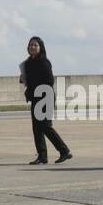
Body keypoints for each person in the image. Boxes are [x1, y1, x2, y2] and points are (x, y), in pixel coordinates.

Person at [22, 36, 72, 164]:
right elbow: (29, 80)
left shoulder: (44, 62)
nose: (32, 47)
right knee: (36, 128)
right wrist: (24, 79)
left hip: (46, 97)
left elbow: (49, 80)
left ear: (40, 47)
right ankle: (42, 157)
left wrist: (36, 84)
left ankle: (64, 151)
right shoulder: (28, 63)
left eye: (35, 45)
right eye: (31, 45)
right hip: (35, 98)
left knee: (45, 126)